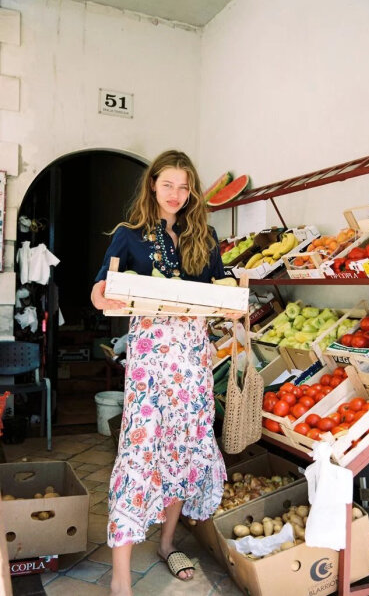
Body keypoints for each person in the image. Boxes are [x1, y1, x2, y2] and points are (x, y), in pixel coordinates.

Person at [91, 150, 241, 596]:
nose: (176, 194)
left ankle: (168, 542)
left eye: (184, 186)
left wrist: (236, 304)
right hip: (152, 364)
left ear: (192, 190)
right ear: (152, 186)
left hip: (194, 361)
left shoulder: (205, 237)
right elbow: (101, 284)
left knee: (184, 447)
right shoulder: (129, 235)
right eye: (167, 184)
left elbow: (220, 288)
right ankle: (121, 574)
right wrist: (104, 297)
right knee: (140, 452)